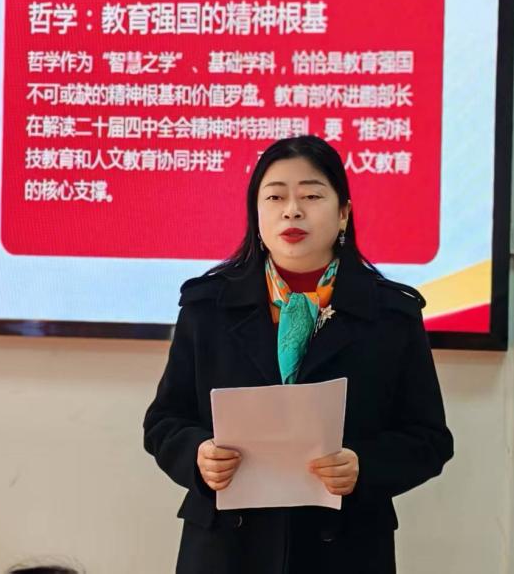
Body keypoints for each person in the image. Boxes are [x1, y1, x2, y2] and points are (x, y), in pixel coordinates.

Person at [143, 135, 453, 574]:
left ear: (343, 212)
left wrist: (365, 466)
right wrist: (197, 455)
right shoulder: (208, 307)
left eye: (311, 195)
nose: (292, 210)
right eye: (275, 197)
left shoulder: (390, 315)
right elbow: (164, 421)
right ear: (256, 214)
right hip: (227, 549)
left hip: (344, 548)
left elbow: (429, 439)